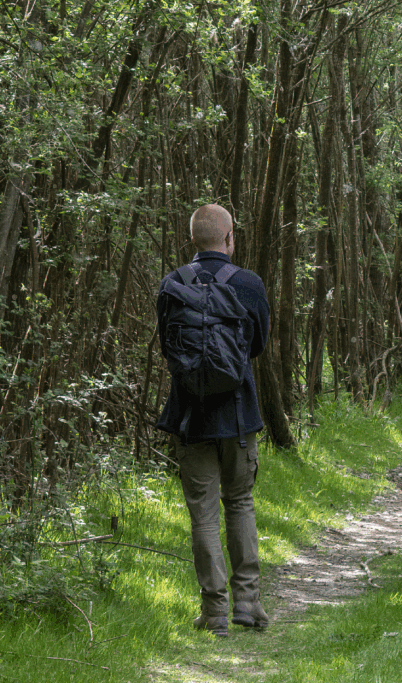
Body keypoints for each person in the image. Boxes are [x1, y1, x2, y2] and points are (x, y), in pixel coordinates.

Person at [156, 203, 271, 636]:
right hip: (239, 416)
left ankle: (215, 612)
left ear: (192, 241)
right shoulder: (248, 283)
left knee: (202, 516)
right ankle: (248, 605)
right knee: (239, 503)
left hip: (190, 418)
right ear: (229, 239)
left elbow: (169, 349)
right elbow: (256, 344)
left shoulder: (172, 284)